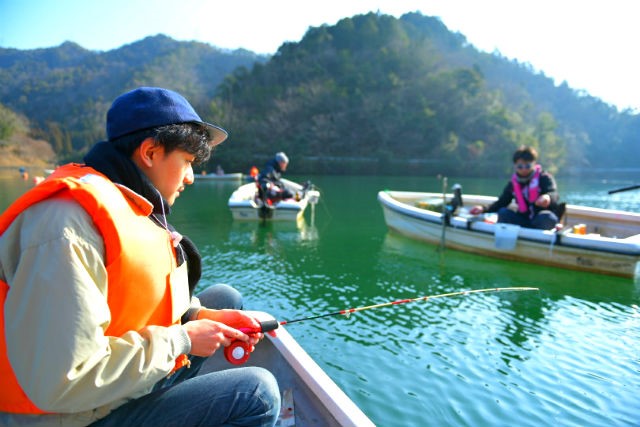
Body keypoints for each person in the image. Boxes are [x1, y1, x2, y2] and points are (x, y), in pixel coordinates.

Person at [0, 87, 280, 427]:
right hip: (68, 416)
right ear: (150, 151)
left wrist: (200, 315)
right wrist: (185, 338)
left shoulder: (126, 199)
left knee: (225, 299)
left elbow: (130, 295)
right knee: (256, 394)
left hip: (109, 393)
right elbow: (63, 381)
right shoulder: (65, 227)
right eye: (188, 162)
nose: (191, 177)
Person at [469, 145, 561, 229]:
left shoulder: (544, 178)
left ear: (534, 163)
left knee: (547, 217)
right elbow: (502, 202)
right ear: (515, 166)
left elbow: (554, 193)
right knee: (503, 212)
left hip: (540, 220)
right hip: (523, 220)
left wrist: (547, 197)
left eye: (528, 165)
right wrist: (484, 209)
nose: (524, 169)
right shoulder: (513, 183)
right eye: (520, 166)